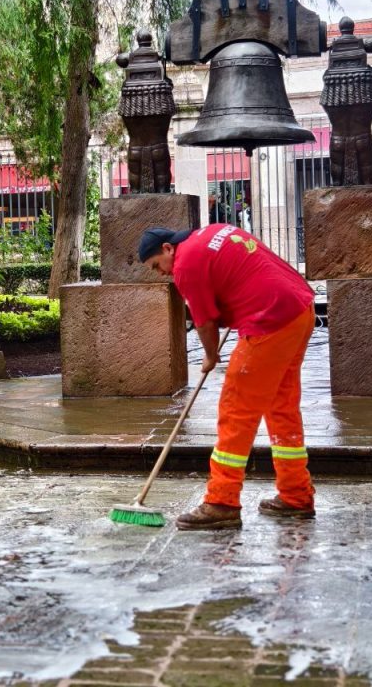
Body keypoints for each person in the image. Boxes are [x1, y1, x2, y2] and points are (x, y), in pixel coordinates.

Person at [138, 224, 316, 530]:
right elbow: (238, 273)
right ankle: (296, 494)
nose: (160, 272)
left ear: (168, 249)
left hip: (269, 319)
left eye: (156, 265)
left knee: (236, 412)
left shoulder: (185, 264)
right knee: (281, 407)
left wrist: (210, 356)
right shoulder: (211, 233)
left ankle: (221, 501)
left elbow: (205, 322)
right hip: (299, 309)